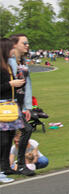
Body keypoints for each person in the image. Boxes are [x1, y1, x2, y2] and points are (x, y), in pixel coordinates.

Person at [8, 34, 36, 176]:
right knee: (26, 130)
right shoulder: (9, 62)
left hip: (19, 104)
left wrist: (27, 107)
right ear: (14, 45)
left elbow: (28, 85)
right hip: (9, 104)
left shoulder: (22, 62)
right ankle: (19, 164)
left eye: (27, 43)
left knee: (14, 133)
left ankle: (12, 165)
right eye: (24, 43)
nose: (27, 45)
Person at [0, 38, 26, 183]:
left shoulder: (7, 66)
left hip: (10, 106)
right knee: (2, 140)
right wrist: (10, 83)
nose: (13, 51)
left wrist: (17, 85)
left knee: (8, 138)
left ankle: (5, 168)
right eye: (10, 48)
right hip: (2, 107)